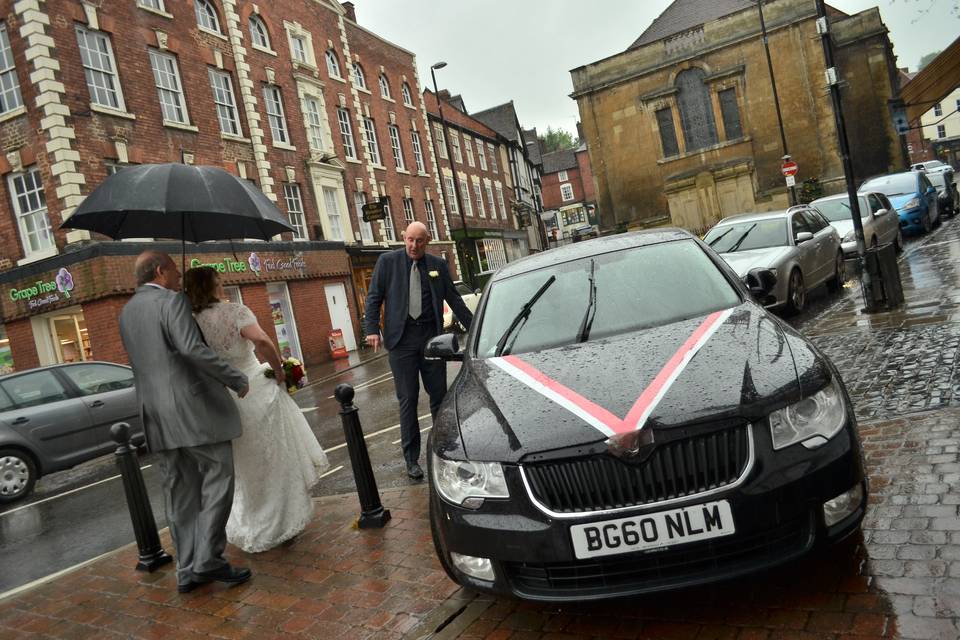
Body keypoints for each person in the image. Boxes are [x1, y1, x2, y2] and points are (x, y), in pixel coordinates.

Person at [119, 251, 251, 594]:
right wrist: (235, 378)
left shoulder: (127, 311)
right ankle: (209, 560)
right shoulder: (174, 302)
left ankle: (188, 570)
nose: (180, 277)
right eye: (176, 271)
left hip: (156, 416)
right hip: (194, 412)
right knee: (218, 479)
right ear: (161, 271)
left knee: (179, 493)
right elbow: (191, 349)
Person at [183, 266, 330, 553]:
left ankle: (252, 524)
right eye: (219, 282)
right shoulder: (236, 311)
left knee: (244, 466)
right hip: (254, 389)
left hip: (223, 398)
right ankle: (281, 521)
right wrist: (278, 371)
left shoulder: (191, 321)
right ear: (212, 285)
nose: (222, 285)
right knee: (273, 458)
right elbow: (261, 340)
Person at [364, 221, 474, 479]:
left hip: (430, 340)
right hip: (401, 342)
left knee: (438, 397)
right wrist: (371, 329)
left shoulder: (437, 266)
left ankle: (443, 451)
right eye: (410, 240)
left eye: (419, 241)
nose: (414, 245)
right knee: (408, 399)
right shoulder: (387, 263)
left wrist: (479, 327)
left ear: (428, 241)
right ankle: (411, 459)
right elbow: (374, 298)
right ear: (404, 238)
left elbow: (454, 299)